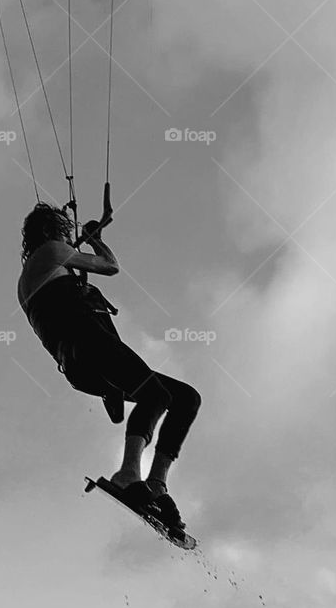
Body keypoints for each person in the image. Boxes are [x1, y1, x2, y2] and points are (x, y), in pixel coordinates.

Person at [18, 202, 200, 536]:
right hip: (85, 344)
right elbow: (110, 266)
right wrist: (96, 240)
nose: (68, 234)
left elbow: (67, 270)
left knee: (185, 398)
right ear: (49, 231)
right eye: (64, 228)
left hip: (79, 365)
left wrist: (88, 236)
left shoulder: (38, 271)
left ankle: (157, 484)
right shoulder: (50, 251)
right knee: (155, 395)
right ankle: (128, 474)